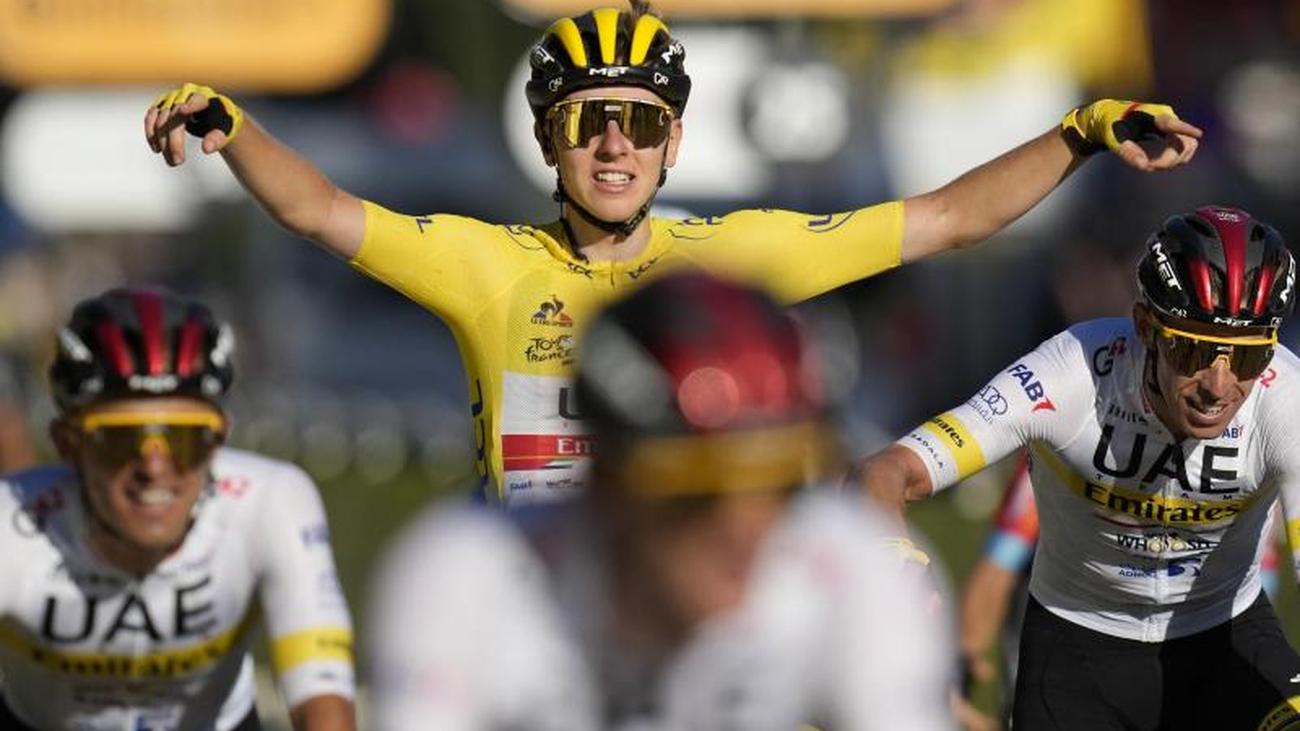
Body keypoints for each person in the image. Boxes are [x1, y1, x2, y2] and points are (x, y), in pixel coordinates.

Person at [143, 3, 1200, 505]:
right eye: (589, 121)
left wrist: (1079, 132)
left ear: (675, 143)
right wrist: (237, 128)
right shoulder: (484, 263)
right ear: (548, 139)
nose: (615, 145)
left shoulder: (736, 251)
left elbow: (945, 221)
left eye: (641, 124)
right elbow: (321, 212)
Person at [367, 272, 956, 730]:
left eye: (783, 487)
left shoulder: (856, 573)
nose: (748, 527)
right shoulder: (470, 573)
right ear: (606, 483)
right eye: (699, 493)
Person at [855, 205, 1300, 729]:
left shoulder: (1285, 400)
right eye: (1193, 352)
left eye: (1247, 358)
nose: (1219, 387)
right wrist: (892, 559)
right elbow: (886, 471)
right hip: (1076, 656)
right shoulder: (1071, 373)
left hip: (1227, 639)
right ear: (1145, 328)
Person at [0, 288, 356, 730]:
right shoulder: (10, 522)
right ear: (68, 444)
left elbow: (323, 699)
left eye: (184, 440)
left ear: (218, 440)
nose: (155, 468)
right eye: (122, 441)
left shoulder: (271, 502)